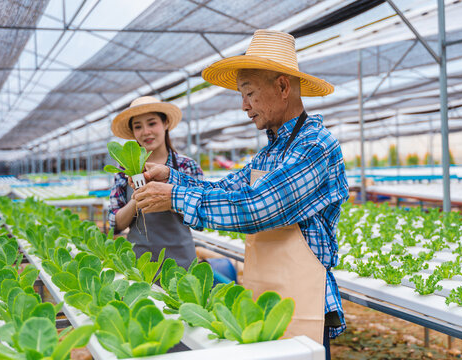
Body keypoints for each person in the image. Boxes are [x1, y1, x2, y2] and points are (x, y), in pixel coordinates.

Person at [133, 30, 348, 358]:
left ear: (282, 87)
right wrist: (173, 178)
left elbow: (258, 207)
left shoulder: (314, 146)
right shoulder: (271, 152)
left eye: (249, 93)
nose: (244, 106)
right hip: (268, 295)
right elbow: (226, 188)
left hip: (304, 300)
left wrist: (175, 197)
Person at [108, 96, 204, 269]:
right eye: (138, 126)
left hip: (180, 260)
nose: (146, 131)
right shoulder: (124, 170)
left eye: (152, 123)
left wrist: (167, 197)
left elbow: (200, 217)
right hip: (139, 263)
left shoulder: (186, 166)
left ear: (165, 123)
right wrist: (138, 198)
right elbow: (116, 224)